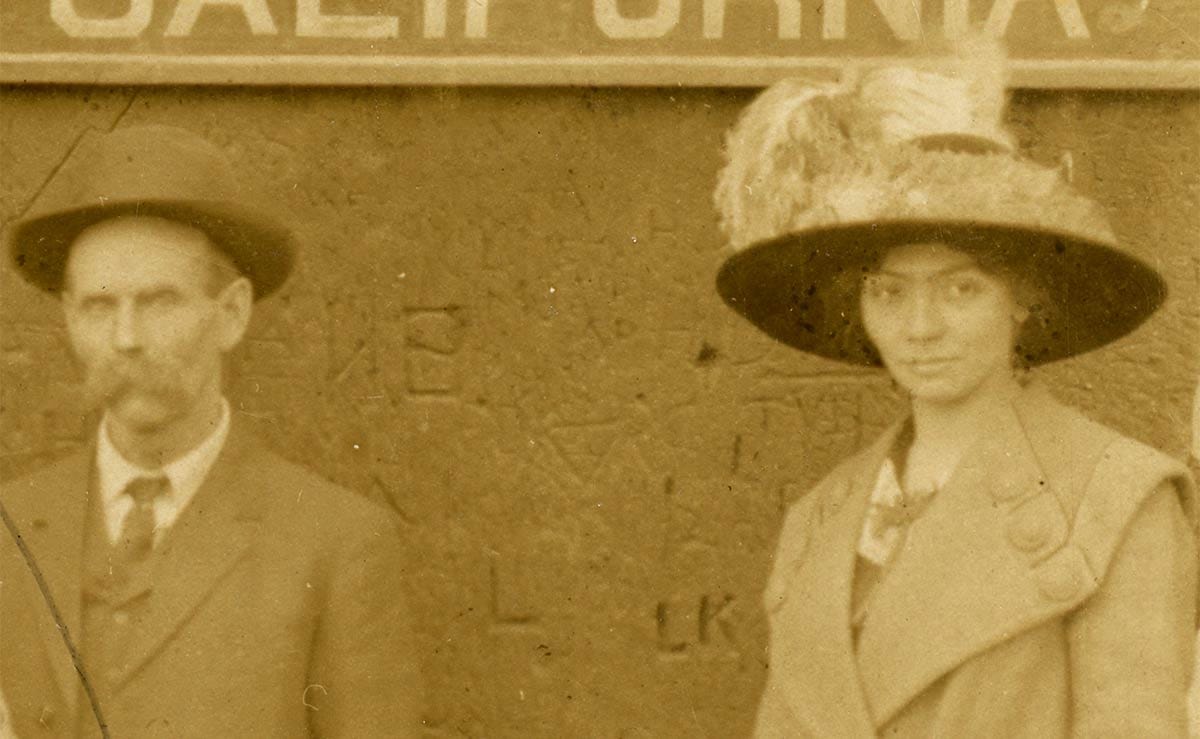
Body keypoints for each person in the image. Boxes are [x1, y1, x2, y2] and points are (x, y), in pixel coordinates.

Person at [713, 41, 1198, 737]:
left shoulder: (1117, 498)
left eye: (961, 288)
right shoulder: (818, 521)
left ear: (1021, 298)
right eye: (889, 290)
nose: (920, 326)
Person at [0, 125, 424, 737]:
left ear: (230, 313)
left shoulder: (334, 544)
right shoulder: (9, 528)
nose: (125, 339)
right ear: (68, 318)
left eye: (159, 302)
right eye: (99, 306)